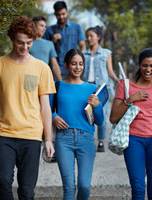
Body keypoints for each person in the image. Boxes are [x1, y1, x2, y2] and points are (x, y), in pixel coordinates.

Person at [0, 16, 56, 200]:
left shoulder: (41, 68)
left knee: (27, 192)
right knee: (3, 182)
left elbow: (45, 107)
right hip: (3, 134)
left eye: (29, 43)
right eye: (20, 43)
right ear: (12, 38)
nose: (25, 47)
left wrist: (48, 139)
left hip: (31, 136)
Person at [110, 48, 152, 200]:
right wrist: (130, 99)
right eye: (145, 65)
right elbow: (113, 118)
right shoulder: (125, 85)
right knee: (138, 188)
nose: (148, 69)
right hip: (133, 140)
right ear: (139, 65)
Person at [52, 49, 104, 200]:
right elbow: (47, 110)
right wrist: (54, 116)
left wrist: (97, 105)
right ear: (66, 65)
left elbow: (100, 121)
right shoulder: (58, 85)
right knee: (68, 187)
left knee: (84, 186)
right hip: (64, 139)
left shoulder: (92, 89)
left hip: (86, 139)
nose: (77, 67)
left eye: (81, 64)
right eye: (74, 64)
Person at [83, 26, 120, 152]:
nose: (89, 38)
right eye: (87, 36)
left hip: (102, 88)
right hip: (87, 86)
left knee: (102, 115)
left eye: (91, 36)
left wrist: (117, 80)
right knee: (88, 114)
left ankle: (101, 141)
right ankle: (89, 139)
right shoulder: (84, 54)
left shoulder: (106, 53)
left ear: (98, 37)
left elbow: (110, 71)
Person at [43, 1, 86, 79]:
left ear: (67, 12)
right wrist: (52, 41)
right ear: (55, 14)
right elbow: (44, 51)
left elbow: (83, 46)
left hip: (72, 69)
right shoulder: (49, 30)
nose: (61, 17)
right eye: (58, 15)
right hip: (55, 70)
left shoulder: (76, 27)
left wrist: (79, 64)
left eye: (63, 14)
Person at [29, 16, 62, 81]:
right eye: (41, 26)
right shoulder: (27, 43)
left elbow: (54, 65)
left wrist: (61, 82)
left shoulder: (49, 44)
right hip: (30, 78)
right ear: (34, 26)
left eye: (45, 26)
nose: (44, 28)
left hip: (45, 79)